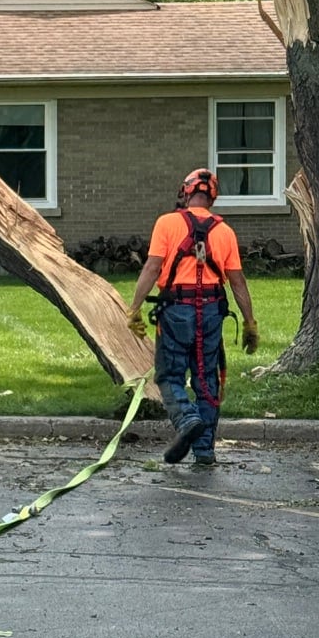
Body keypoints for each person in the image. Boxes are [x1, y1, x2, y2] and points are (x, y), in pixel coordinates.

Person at [128, 168, 259, 469]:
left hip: (176, 310)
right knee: (206, 380)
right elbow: (237, 282)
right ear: (213, 197)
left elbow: (151, 268)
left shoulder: (167, 223)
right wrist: (250, 321)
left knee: (169, 375)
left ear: (185, 192)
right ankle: (204, 452)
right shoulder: (225, 231)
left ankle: (187, 420)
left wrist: (133, 307)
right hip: (212, 312)